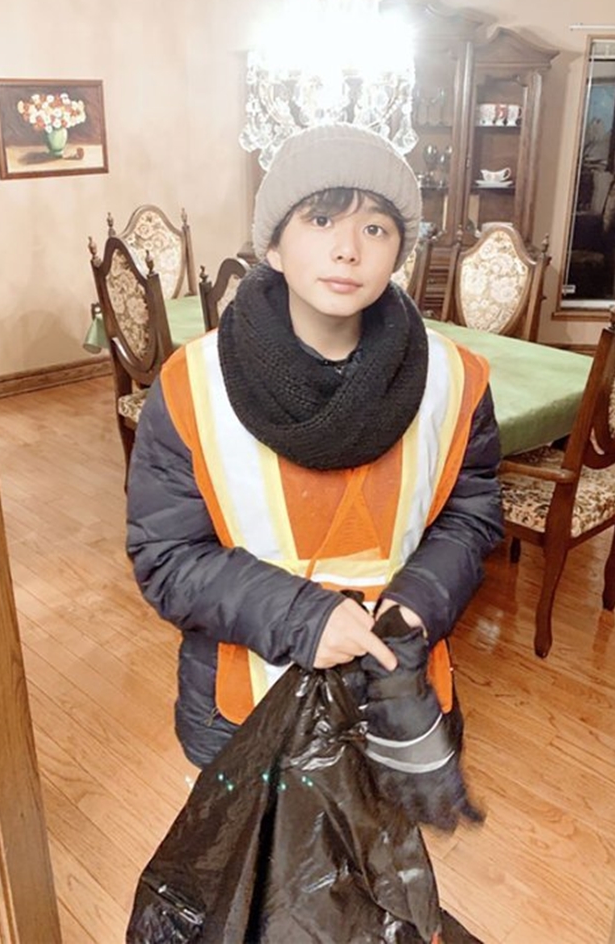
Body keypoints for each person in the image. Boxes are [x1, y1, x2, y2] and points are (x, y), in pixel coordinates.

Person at [126, 123, 503, 771]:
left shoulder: (455, 379)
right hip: (243, 711)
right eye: (321, 219)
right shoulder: (194, 384)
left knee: (387, 835)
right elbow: (167, 555)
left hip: (397, 690)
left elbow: (470, 516)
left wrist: (422, 599)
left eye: (375, 228)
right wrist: (304, 618)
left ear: (399, 251)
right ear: (273, 245)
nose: (348, 250)